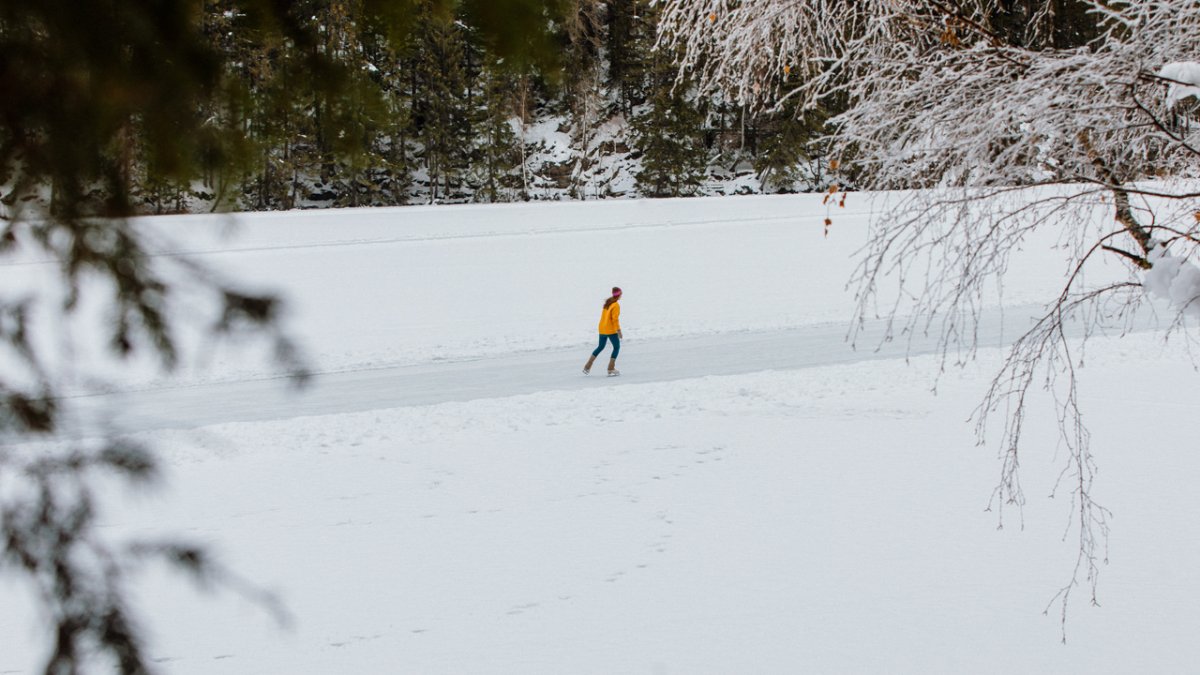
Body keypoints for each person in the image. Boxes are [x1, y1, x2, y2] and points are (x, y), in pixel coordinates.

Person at [583, 287, 623, 376]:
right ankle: (611, 368)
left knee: (600, 347)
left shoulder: (608, 303)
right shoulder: (615, 305)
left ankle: (587, 366)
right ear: (619, 295)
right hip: (610, 330)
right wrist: (619, 330)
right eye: (621, 294)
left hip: (602, 328)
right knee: (616, 347)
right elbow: (615, 319)